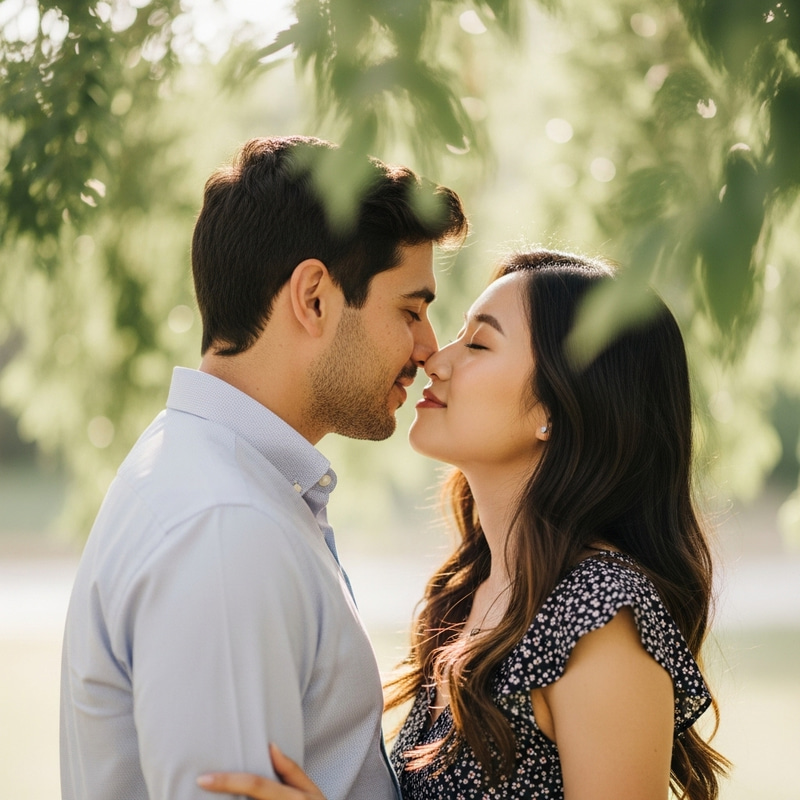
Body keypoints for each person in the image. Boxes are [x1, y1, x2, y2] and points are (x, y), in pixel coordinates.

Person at [197, 249, 730, 800]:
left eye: (478, 344)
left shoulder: (599, 615)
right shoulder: (468, 595)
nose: (435, 358)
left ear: (557, 405)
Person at [59, 135, 467, 800]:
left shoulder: (219, 484)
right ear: (313, 298)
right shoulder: (225, 527)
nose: (427, 347)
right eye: (412, 309)